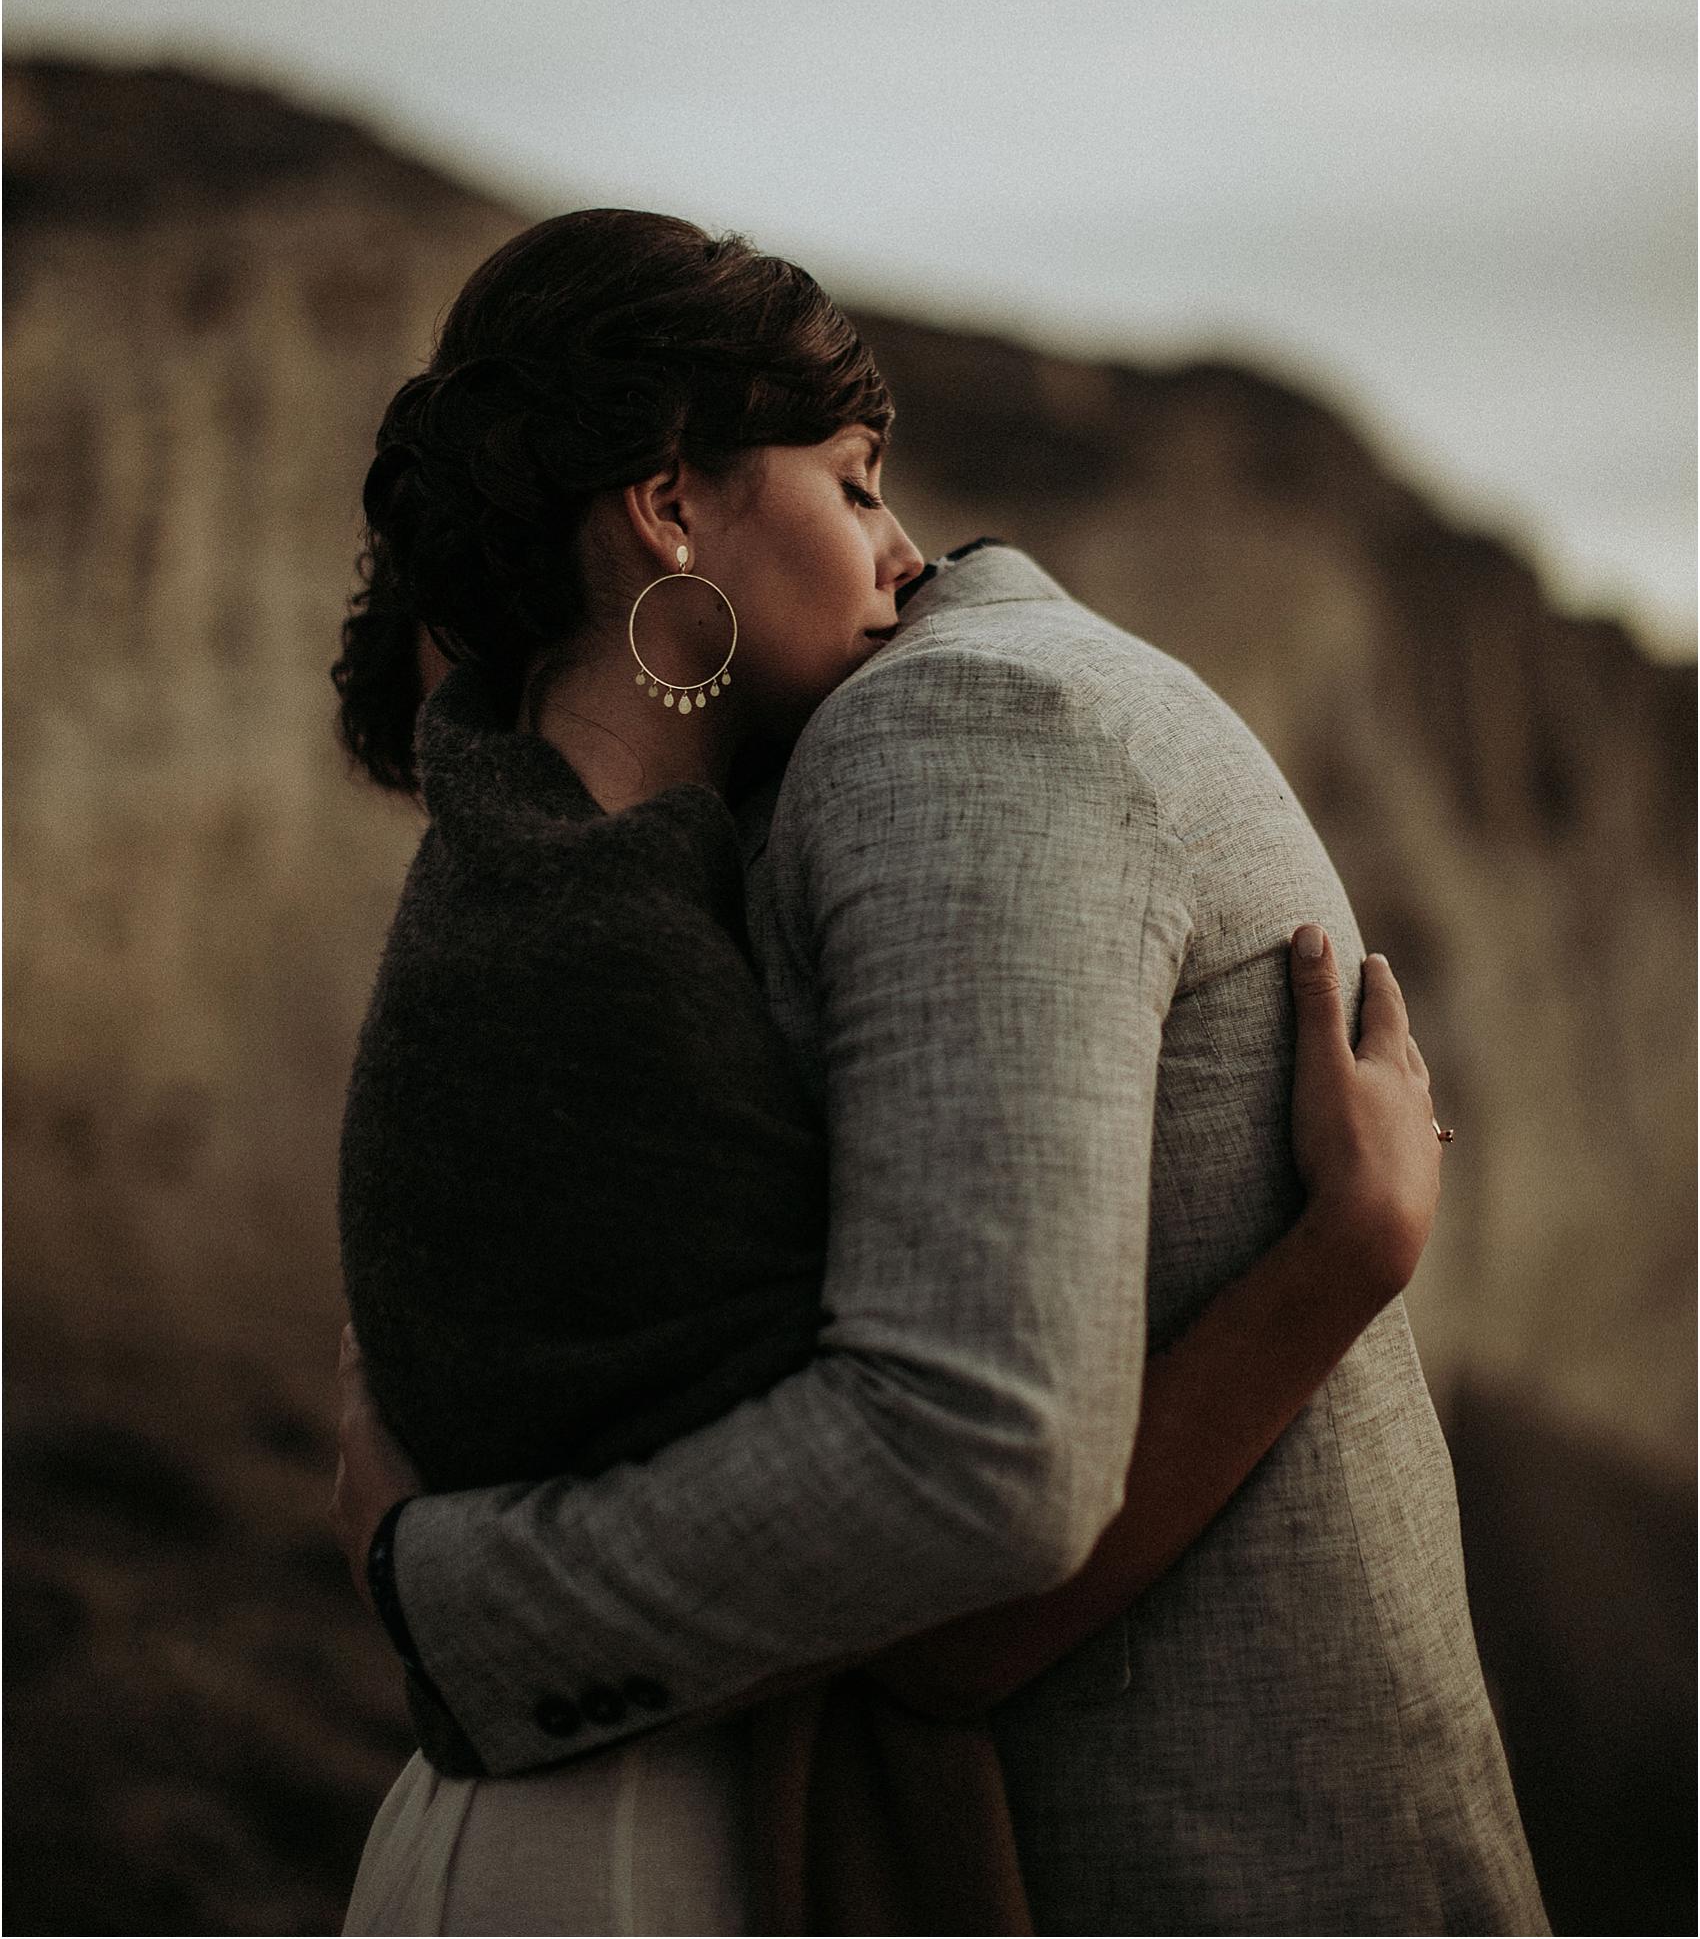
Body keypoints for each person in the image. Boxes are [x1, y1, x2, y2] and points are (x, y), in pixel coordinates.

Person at [330, 209, 1547, 1937]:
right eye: (852, 481)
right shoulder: (590, 929)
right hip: (608, 1851)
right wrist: (1342, 1260)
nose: (906, 550)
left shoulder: (596, 868)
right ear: (668, 502)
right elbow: (962, 1519)